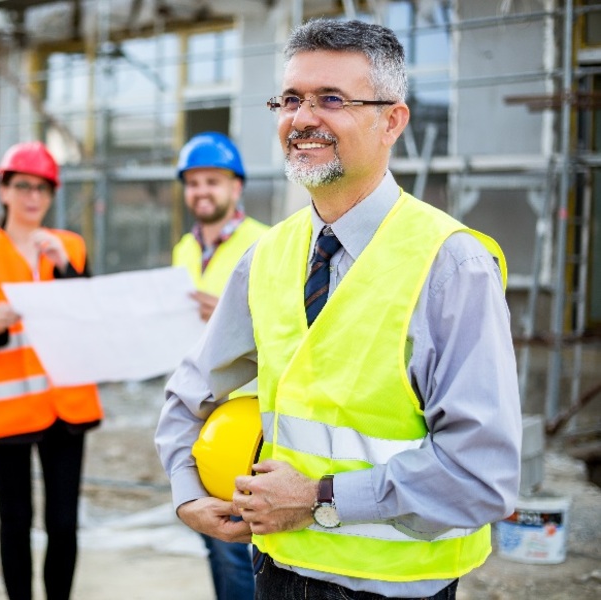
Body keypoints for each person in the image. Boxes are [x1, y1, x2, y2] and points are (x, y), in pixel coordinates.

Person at [155, 18, 522, 600]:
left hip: (396, 590)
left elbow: (482, 477)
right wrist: (187, 491)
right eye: (291, 99)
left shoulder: (452, 266)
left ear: (392, 120)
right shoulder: (267, 257)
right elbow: (187, 395)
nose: (303, 119)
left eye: (332, 99)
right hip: (275, 576)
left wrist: (320, 499)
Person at [0, 141, 103, 600]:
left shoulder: (70, 248)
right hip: (7, 413)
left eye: (42, 188)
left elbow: (90, 315)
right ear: (4, 191)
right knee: (15, 522)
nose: (32, 197)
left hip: (66, 409)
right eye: (23, 187)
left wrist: (63, 268)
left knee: (62, 523)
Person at [172, 131, 269, 600]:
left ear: (237, 187)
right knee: (212, 534)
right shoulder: (184, 251)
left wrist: (229, 318)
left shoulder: (266, 245)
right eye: (193, 182)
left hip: (245, 421)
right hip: (198, 410)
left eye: (213, 180)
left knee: (239, 543)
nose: (201, 191)